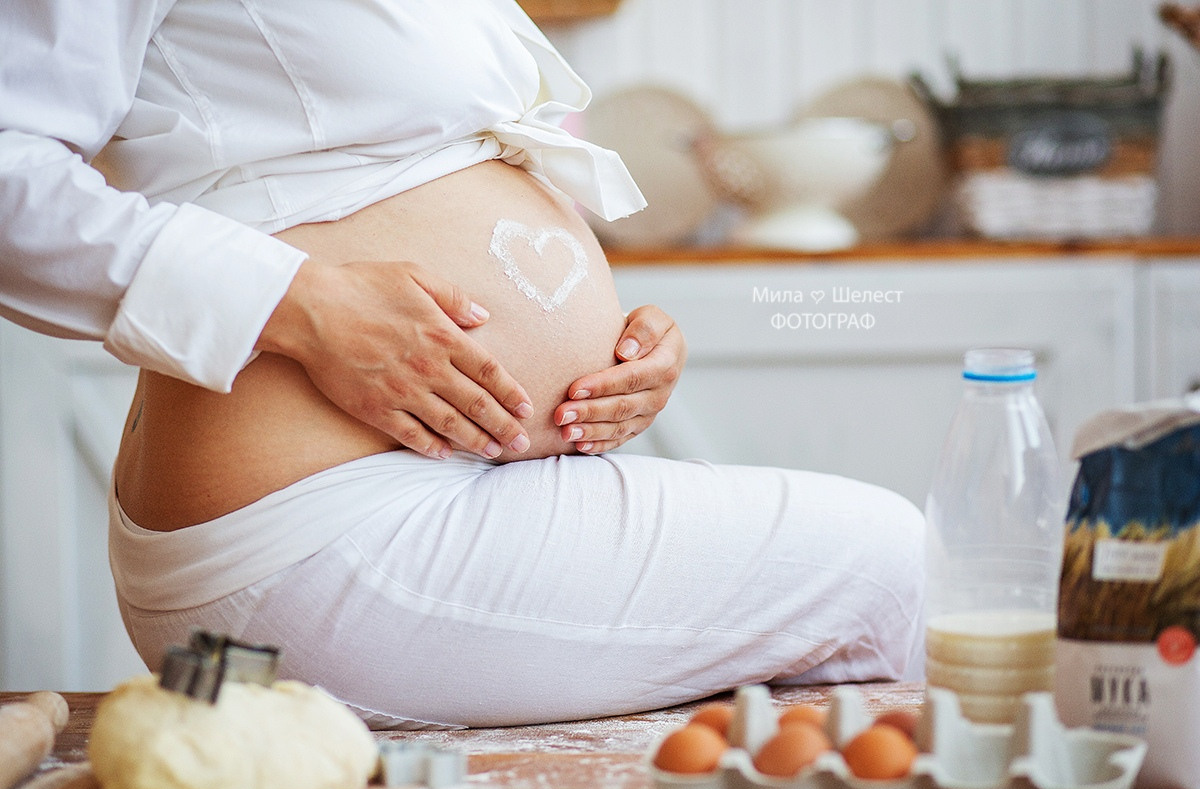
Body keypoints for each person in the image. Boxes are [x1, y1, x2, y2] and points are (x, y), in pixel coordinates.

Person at [0, 0, 925, 728]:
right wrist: (296, 304)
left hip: (411, 504)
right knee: (892, 565)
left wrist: (609, 346)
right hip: (321, 535)